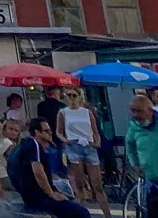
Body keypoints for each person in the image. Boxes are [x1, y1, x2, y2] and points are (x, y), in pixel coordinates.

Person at [57, 88, 110, 218]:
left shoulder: (87, 112)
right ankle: (80, 213)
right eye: (68, 95)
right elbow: (58, 131)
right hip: (74, 145)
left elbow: (95, 130)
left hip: (88, 145)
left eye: (74, 95)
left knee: (97, 184)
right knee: (79, 183)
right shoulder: (63, 113)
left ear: (79, 97)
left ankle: (107, 214)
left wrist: (97, 142)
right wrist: (65, 140)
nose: (71, 98)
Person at [0, 118, 25, 186]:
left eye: (16, 130)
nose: (13, 132)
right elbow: (15, 162)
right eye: (11, 129)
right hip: (4, 176)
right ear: (4, 129)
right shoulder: (7, 143)